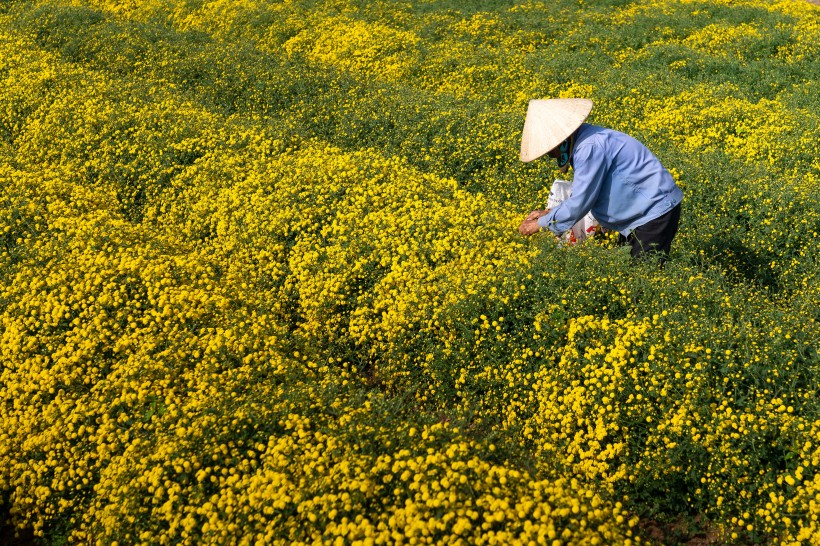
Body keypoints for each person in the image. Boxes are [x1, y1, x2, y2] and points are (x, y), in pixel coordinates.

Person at [517, 98, 683, 262]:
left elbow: (580, 202)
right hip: (639, 215)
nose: (549, 155)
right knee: (630, 271)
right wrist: (550, 213)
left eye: (549, 149)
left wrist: (541, 223)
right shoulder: (584, 140)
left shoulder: (588, 148)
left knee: (644, 277)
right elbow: (587, 192)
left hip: (654, 212)